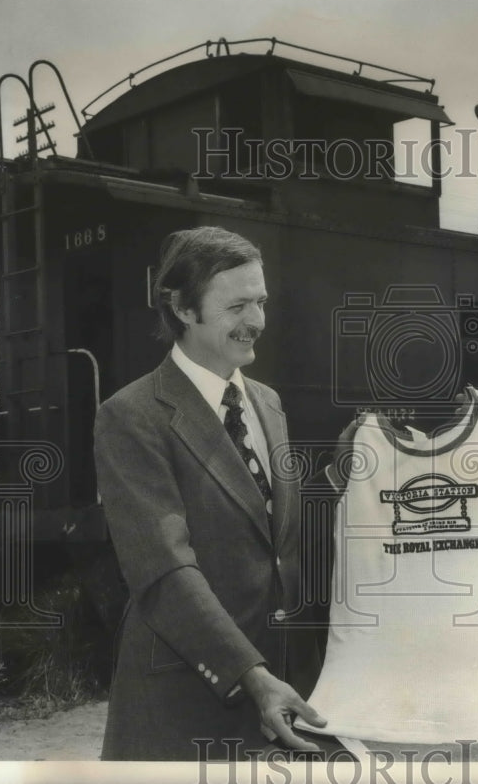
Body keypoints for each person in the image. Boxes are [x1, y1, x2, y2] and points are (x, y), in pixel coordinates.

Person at [94, 226, 325, 760]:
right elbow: (164, 571)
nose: (258, 322)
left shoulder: (268, 403)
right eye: (237, 305)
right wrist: (253, 676)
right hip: (186, 710)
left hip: (284, 704)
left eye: (262, 302)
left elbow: (280, 547)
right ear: (182, 307)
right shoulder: (131, 417)